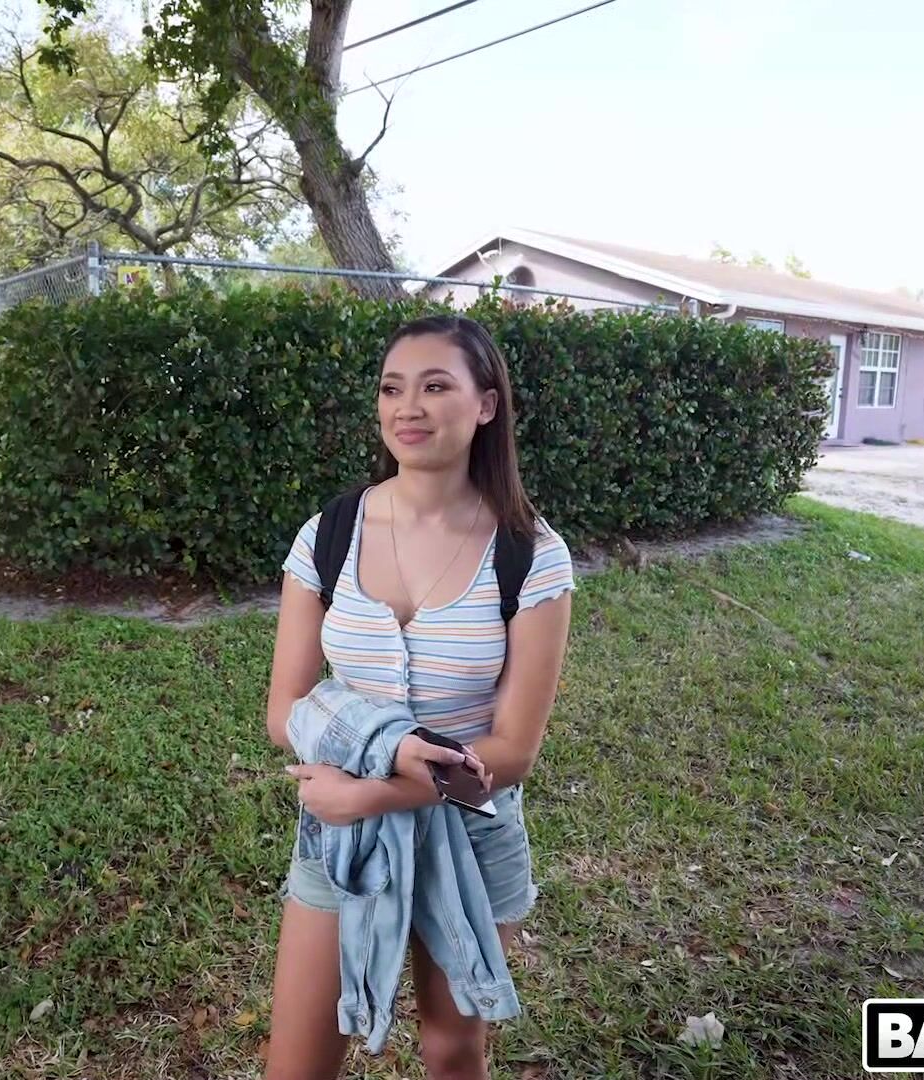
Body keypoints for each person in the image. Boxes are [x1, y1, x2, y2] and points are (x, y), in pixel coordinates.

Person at [262, 314, 576, 1079]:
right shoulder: (329, 534)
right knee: (299, 1063)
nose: (408, 406)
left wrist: (376, 791)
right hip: (341, 839)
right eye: (392, 388)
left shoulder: (530, 553)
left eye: (436, 386)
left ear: (486, 405)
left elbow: (513, 752)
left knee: (452, 1050)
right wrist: (380, 762)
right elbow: (285, 710)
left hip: (469, 830)